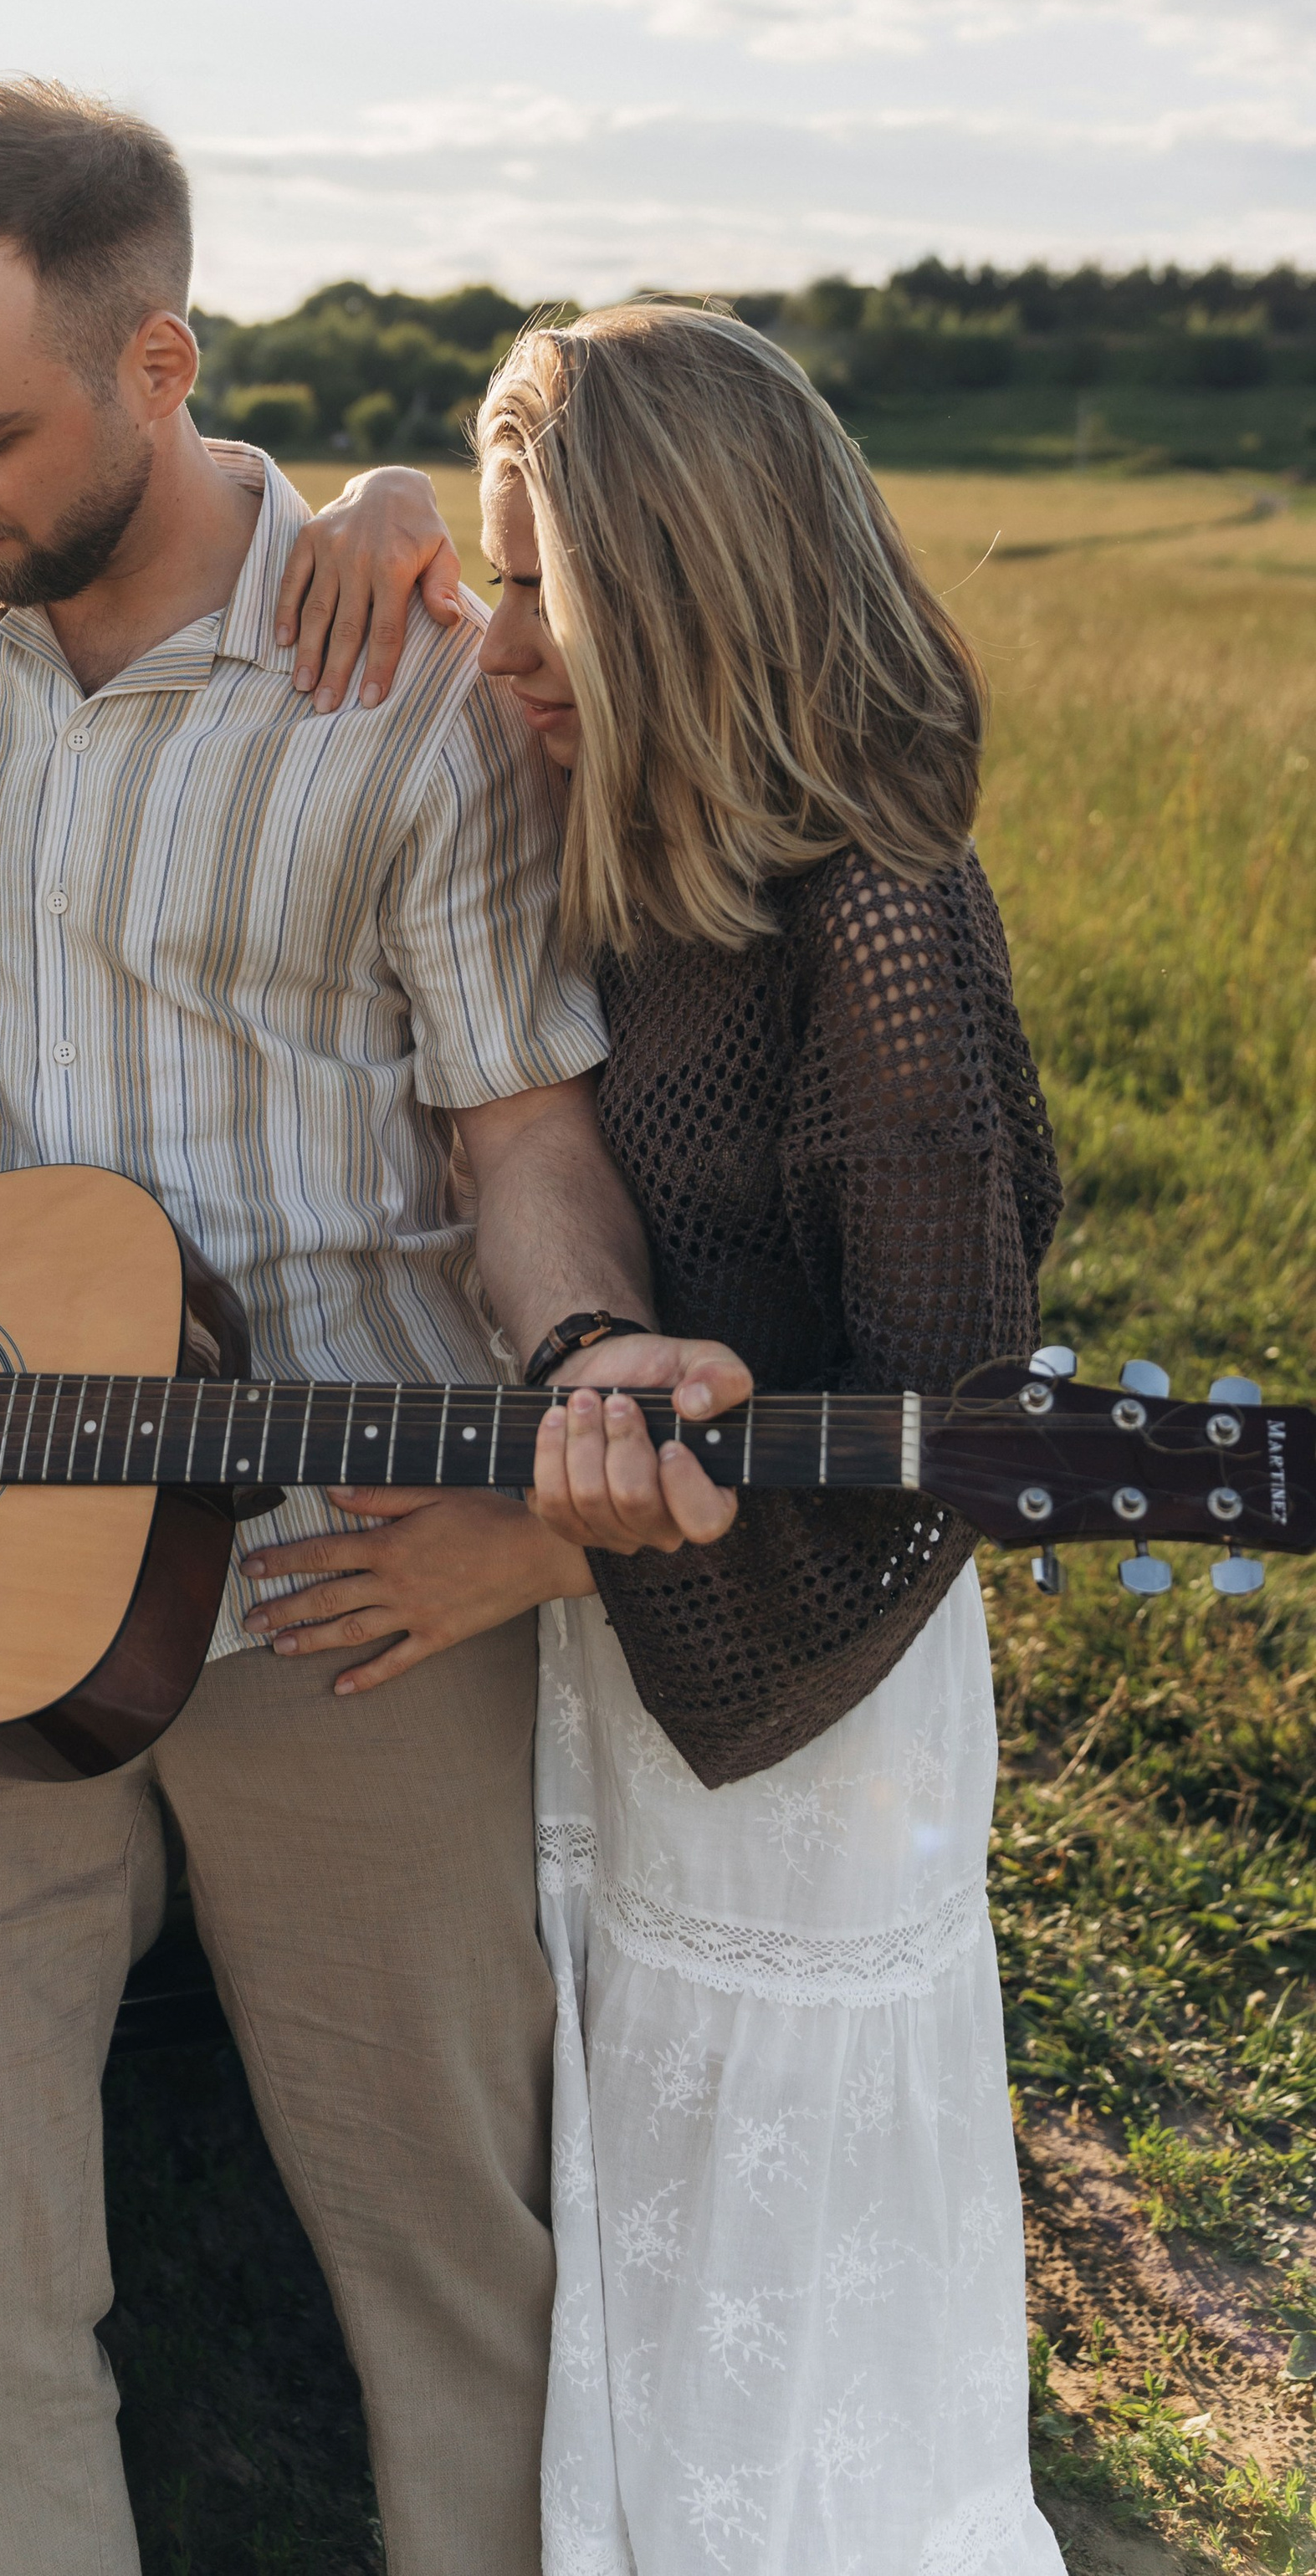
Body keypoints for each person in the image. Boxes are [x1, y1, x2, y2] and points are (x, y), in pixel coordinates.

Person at [0, 80, 749, 2576]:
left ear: (159, 365)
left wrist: (576, 1381)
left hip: (347, 1573)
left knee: (451, 2271)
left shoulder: (408, 687)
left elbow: (516, 1133)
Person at [249, 306, 1066, 2573]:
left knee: (768, 2232)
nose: (501, 642)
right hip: (634, 1627)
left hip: (814, 1687)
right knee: (631, 2195)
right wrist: (399, 516)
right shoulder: (619, 813)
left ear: (684, 600)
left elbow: (950, 1440)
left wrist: (533, 1554)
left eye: (549, 595)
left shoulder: (880, 922)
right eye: (499, 583)